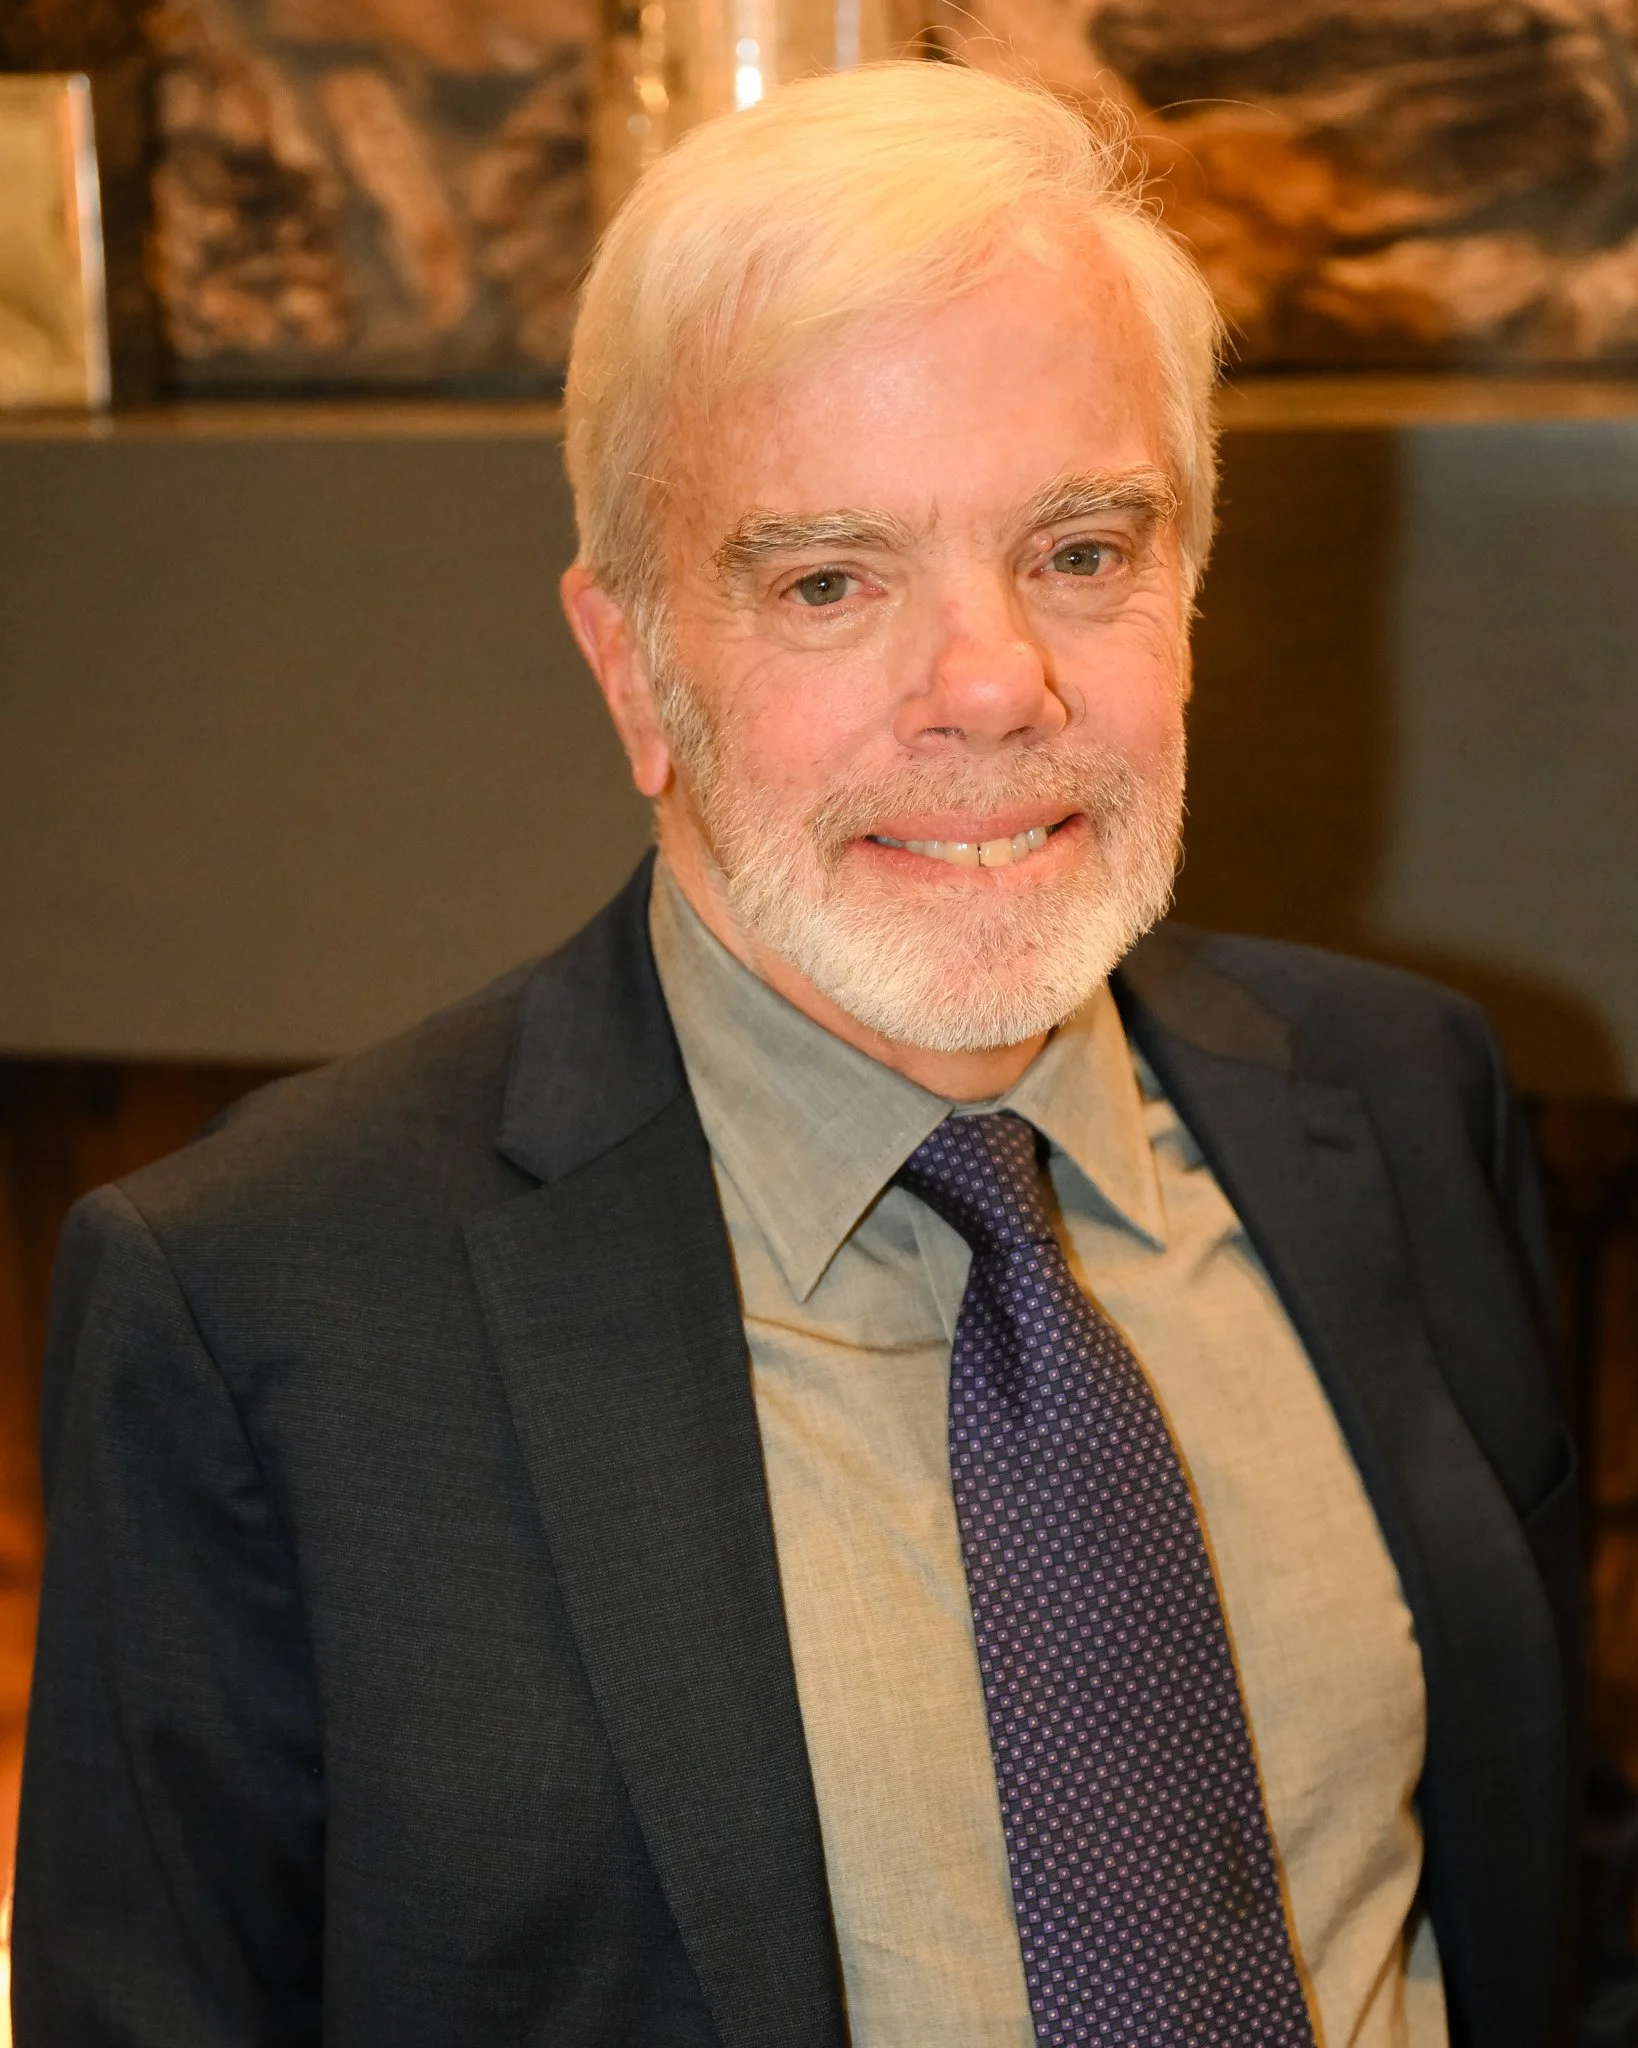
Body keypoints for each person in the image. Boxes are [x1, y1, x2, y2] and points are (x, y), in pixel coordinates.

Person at [9, 58, 1610, 2048]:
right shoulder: (260, 1305)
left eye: (1083, 550)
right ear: (635, 668)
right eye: (832, 580)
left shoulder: (1402, 1098)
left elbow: (1547, 1895)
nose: (991, 684)